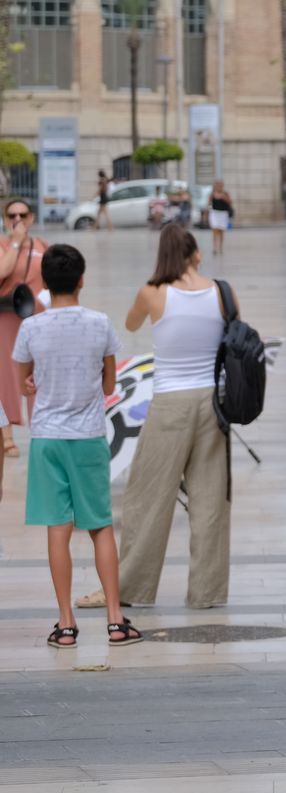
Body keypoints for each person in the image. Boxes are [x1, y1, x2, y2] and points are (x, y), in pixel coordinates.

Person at [16, 244, 139, 648]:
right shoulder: (100, 324)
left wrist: (37, 381)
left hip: (48, 437)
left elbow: (25, 383)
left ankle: (66, 624)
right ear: (81, 279)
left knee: (58, 529)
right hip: (87, 437)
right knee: (100, 527)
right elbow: (108, 385)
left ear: (46, 284)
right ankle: (116, 621)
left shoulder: (31, 327)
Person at [111, 225, 231, 609]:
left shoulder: (153, 292)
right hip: (213, 403)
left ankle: (132, 588)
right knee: (210, 499)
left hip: (169, 403)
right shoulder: (221, 292)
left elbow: (130, 324)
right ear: (196, 253)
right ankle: (207, 593)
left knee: (148, 497)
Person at [0, 197, 47, 458]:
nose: (17, 220)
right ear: (5, 220)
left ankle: (39, 429)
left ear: (31, 218)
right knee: (5, 376)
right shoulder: (3, 245)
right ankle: (5, 436)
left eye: (22, 215)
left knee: (37, 375)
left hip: (36, 320)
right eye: (11, 216)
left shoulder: (43, 246)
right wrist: (15, 243)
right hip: (6, 317)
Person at [207, 181, 234, 257]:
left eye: (220, 185)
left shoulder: (225, 194)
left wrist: (224, 198)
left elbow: (230, 202)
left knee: (221, 231)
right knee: (215, 229)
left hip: (223, 213)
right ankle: (215, 247)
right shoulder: (212, 194)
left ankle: (220, 247)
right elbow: (209, 203)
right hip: (215, 213)